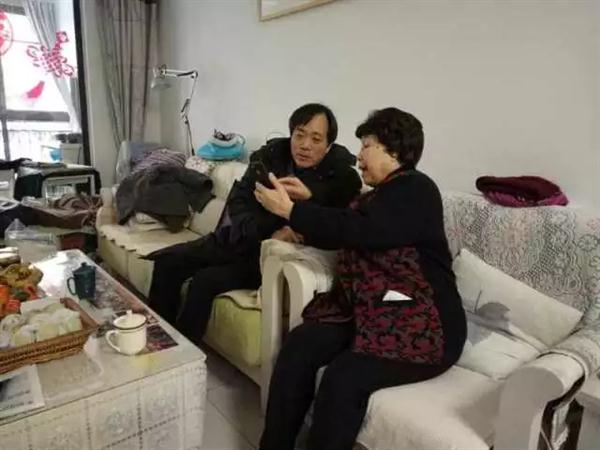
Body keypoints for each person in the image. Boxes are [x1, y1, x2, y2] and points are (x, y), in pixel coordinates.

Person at [254, 107, 467, 450]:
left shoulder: (417, 188)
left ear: (394, 151)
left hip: (424, 323)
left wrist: (293, 211)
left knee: (343, 378)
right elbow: (347, 230)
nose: (358, 156)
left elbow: (364, 229)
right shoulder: (376, 196)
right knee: (300, 345)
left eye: (367, 145)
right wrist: (304, 213)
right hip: (373, 310)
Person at [145, 103, 362, 343]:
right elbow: (238, 201)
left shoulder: (342, 178)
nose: (305, 145)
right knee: (167, 262)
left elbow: (335, 226)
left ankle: (186, 353)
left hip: (265, 259)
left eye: (316, 139)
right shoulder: (269, 158)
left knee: (205, 281)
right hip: (239, 238)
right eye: (299, 135)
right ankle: (159, 342)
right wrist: (264, 230)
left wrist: (307, 203)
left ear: (328, 145)